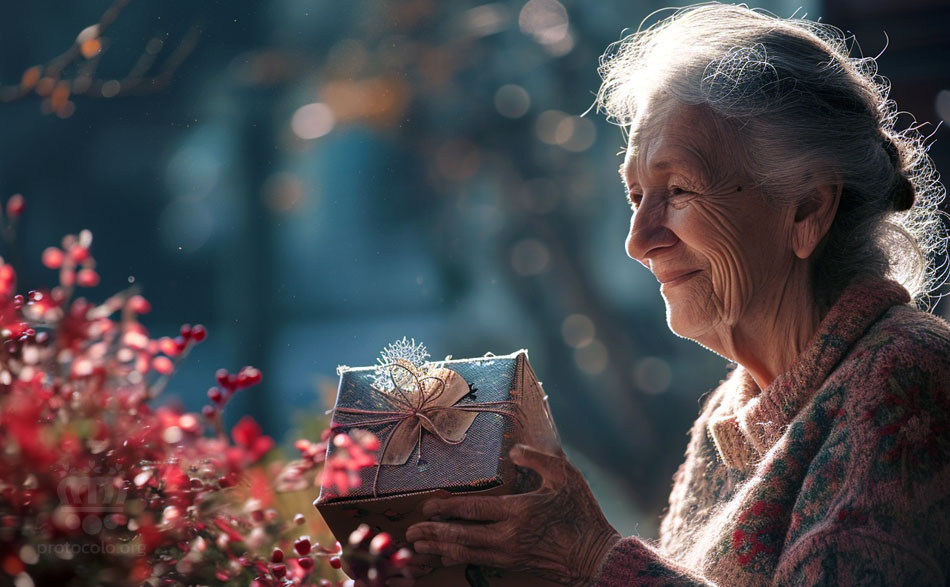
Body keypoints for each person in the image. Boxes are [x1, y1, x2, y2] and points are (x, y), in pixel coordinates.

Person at [404, 3, 950, 585]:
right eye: (637, 196)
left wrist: (593, 559)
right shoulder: (729, 415)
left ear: (808, 206)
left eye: (681, 189)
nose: (639, 241)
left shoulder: (905, 383)